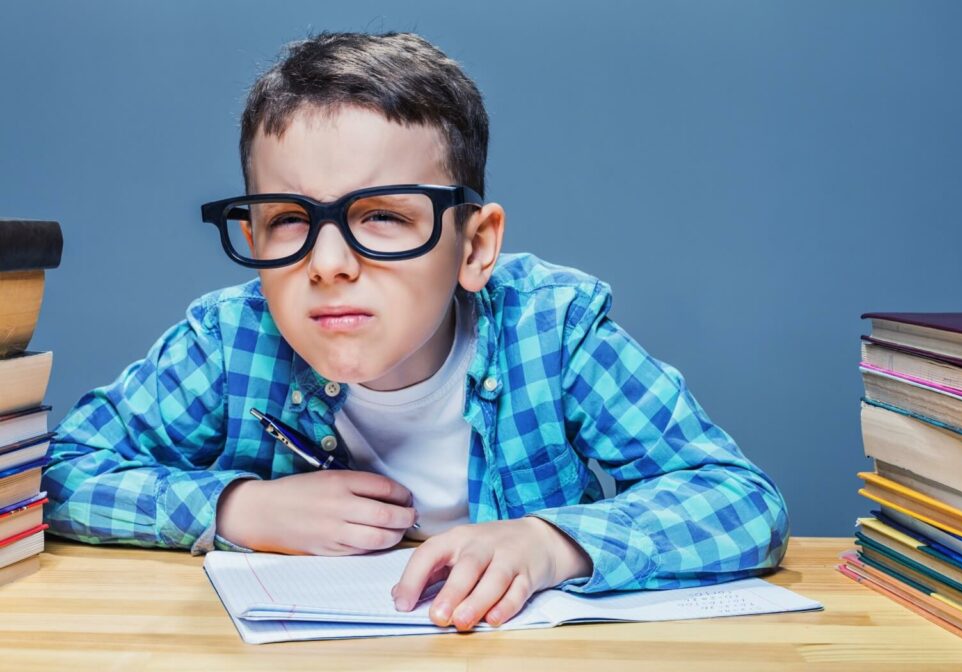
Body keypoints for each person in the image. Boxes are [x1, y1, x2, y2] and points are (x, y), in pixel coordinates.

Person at [44, 31, 789, 632]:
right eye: (288, 221)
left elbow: (741, 500)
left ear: (474, 247)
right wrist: (239, 507)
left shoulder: (552, 332)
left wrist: (550, 542)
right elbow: (61, 472)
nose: (328, 264)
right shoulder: (230, 340)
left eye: (383, 217)